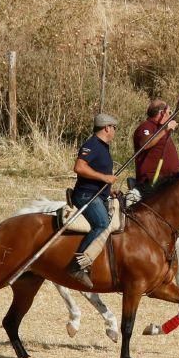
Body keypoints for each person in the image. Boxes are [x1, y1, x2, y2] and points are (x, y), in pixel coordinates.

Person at [67, 113, 119, 289]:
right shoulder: (92, 145)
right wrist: (104, 177)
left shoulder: (103, 148)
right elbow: (79, 167)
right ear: (107, 128)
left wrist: (110, 190)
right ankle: (76, 265)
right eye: (114, 127)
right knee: (102, 223)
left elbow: (97, 175)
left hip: (99, 194)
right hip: (85, 195)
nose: (114, 131)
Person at [133, 99, 179, 189]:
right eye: (169, 112)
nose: (170, 115)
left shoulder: (161, 130)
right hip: (153, 181)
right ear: (162, 113)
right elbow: (145, 144)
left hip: (168, 180)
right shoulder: (146, 126)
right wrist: (166, 129)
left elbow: (158, 153)